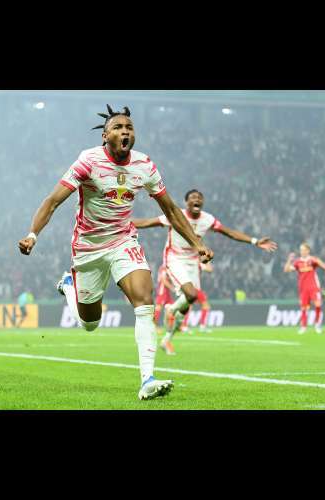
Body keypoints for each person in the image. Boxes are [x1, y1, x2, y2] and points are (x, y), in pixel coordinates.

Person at [18, 105, 214, 401]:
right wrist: (33, 234)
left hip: (124, 241)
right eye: (119, 127)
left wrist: (196, 243)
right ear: (105, 135)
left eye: (129, 128)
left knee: (144, 301)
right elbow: (53, 201)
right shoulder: (88, 161)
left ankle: (147, 379)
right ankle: (69, 286)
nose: (125, 132)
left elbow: (171, 209)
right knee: (90, 324)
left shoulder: (144, 165)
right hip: (88, 247)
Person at [132, 189, 277, 354]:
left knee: (189, 302)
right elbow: (147, 222)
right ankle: (170, 309)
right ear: (186, 202)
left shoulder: (207, 219)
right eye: (193, 197)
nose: (197, 199)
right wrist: (122, 224)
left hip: (193, 262)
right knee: (191, 294)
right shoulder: (176, 215)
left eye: (199, 197)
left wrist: (255, 241)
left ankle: (167, 340)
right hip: (174, 258)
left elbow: (229, 232)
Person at [283, 243, 325, 334]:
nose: (302, 252)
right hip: (303, 288)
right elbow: (286, 270)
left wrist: (318, 261)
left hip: (314, 287)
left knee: (318, 304)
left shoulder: (312, 260)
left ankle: (317, 326)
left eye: (304, 250)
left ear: (308, 251)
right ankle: (303, 327)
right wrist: (289, 260)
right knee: (304, 308)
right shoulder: (297, 262)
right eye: (301, 250)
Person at [153, 264, 175, 335]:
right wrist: (172, 288)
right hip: (162, 291)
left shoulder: (171, 267)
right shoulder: (163, 268)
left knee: (171, 309)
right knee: (158, 308)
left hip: (168, 292)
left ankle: (169, 327)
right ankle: (153, 327)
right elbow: (163, 280)